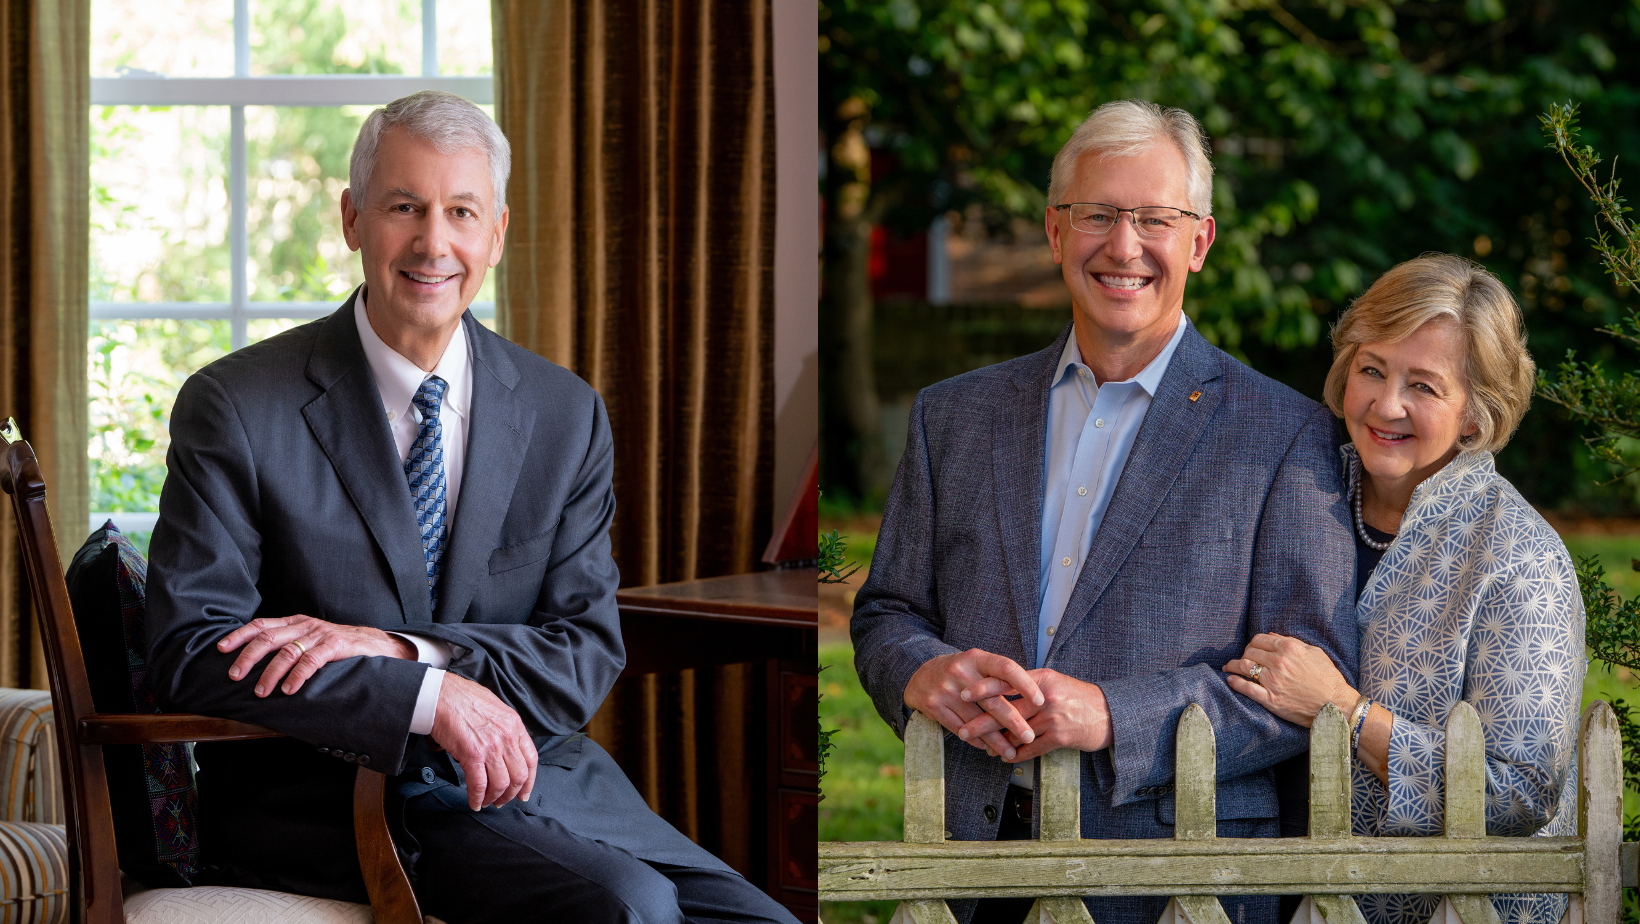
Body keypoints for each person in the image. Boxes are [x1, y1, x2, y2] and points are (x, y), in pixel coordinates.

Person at [144, 90, 798, 924]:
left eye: (461, 211)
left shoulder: (565, 414)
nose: (433, 242)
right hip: (334, 796)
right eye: (404, 208)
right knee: (630, 907)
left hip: (539, 777)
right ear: (352, 220)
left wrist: (407, 653)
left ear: (497, 231)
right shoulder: (236, 405)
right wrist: (423, 698)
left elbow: (583, 653)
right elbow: (189, 649)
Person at [849, 98, 1359, 924]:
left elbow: (1305, 691)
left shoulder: (1286, 434)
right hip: (968, 865)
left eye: (1155, 218)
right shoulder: (954, 416)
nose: (1124, 247)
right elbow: (887, 611)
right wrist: (922, 672)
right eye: (1098, 215)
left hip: (1169, 881)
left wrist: (1113, 715)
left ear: (1199, 242)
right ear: (1055, 232)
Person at [1222, 254, 1584, 924]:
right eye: (1372, 370)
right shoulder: (1291, 487)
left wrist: (1346, 712)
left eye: (1424, 385)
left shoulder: (1519, 559)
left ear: (1475, 413)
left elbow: (1520, 792)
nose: (1386, 405)